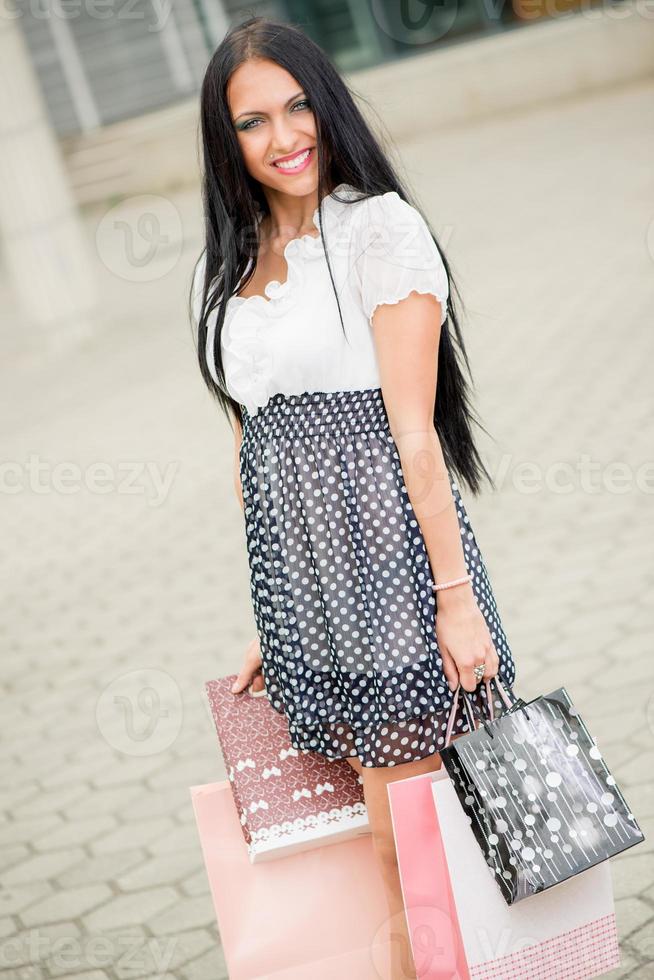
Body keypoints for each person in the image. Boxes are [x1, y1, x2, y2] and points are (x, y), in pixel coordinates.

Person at [191, 15, 516, 979]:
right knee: (377, 848)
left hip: (396, 587)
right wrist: (272, 608)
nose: (285, 137)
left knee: (407, 846)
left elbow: (414, 439)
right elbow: (255, 450)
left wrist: (455, 600)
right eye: (253, 122)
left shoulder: (378, 229)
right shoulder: (235, 265)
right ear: (228, 143)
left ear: (329, 103)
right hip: (313, 607)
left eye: (298, 107)